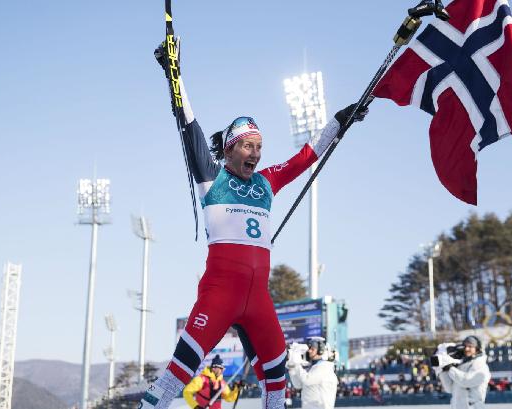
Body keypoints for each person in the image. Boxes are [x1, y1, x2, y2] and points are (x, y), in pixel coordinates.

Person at [141, 38, 368, 409]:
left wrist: (340, 121)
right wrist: (174, 74)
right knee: (177, 374)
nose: (256, 153)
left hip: (259, 297)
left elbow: (305, 157)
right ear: (229, 148)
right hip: (220, 291)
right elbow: (189, 127)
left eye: (259, 147)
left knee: (277, 375)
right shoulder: (211, 178)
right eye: (249, 146)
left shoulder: (265, 182)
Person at [437, 335, 491, 409]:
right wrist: (442, 370)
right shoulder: (461, 366)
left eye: (470, 346)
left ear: (477, 348)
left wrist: (450, 368)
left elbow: (466, 381)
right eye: (465, 346)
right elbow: (449, 388)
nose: (466, 349)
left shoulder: (481, 365)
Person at [286, 337, 338, 409]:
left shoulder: (325, 367)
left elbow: (307, 380)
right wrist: (292, 368)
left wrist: (297, 364)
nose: (309, 351)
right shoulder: (315, 368)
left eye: (312, 349)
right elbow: (298, 385)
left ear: (321, 350)